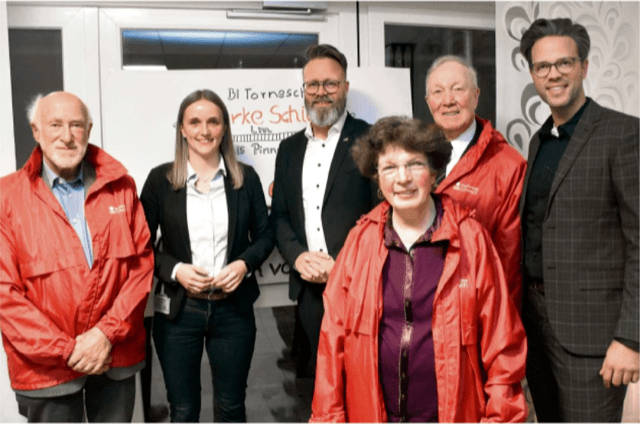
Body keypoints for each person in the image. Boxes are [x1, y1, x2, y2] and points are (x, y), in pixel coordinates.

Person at [310, 116, 527, 422]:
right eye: (389, 168)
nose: (403, 178)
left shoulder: (471, 240)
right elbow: (332, 345)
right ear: (377, 177)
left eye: (414, 164)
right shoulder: (359, 242)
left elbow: (502, 345)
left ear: (434, 172)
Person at [0, 91, 154, 422]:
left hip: (115, 354)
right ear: (36, 130)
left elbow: (140, 268)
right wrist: (68, 350)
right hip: (45, 368)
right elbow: (5, 293)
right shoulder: (6, 197)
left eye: (76, 125)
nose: (67, 136)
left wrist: (105, 335)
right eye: (55, 124)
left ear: (89, 129)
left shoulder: (121, 187)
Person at [519, 18, 639, 422]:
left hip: (594, 336)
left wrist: (631, 337)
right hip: (535, 325)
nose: (553, 74)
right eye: (542, 66)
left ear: (584, 67)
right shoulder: (539, 141)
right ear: (533, 74)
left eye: (564, 63)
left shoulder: (624, 134)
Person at [140, 89, 273, 422]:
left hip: (233, 311)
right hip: (179, 312)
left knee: (232, 407)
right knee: (183, 410)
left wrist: (244, 264)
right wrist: (176, 270)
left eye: (213, 121)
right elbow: (139, 244)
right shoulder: (159, 180)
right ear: (182, 129)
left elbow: (266, 235)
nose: (204, 130)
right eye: (195, 122)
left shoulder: (245, 178)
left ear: (224, 128)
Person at [270, 44, 378, 376]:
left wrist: (342, 265)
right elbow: (280, 215)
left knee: (364, 381)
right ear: (304, 90)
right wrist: (298, 256)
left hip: (360, 287)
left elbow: (383, 216)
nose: (321, 92)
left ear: (345, 87)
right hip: (310, 291)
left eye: (330, 83)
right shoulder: (289, 149)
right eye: (313, 84)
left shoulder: (371, 140)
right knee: (322, 383)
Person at [425, 55, 526, 307]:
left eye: (458, 89)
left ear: (476, 96)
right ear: (428, 102)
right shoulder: (412, 155)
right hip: (421, 307)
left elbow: (509, 262)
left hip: (472, 307)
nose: (448, 100)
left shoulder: (508, 165)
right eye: (438, 92)